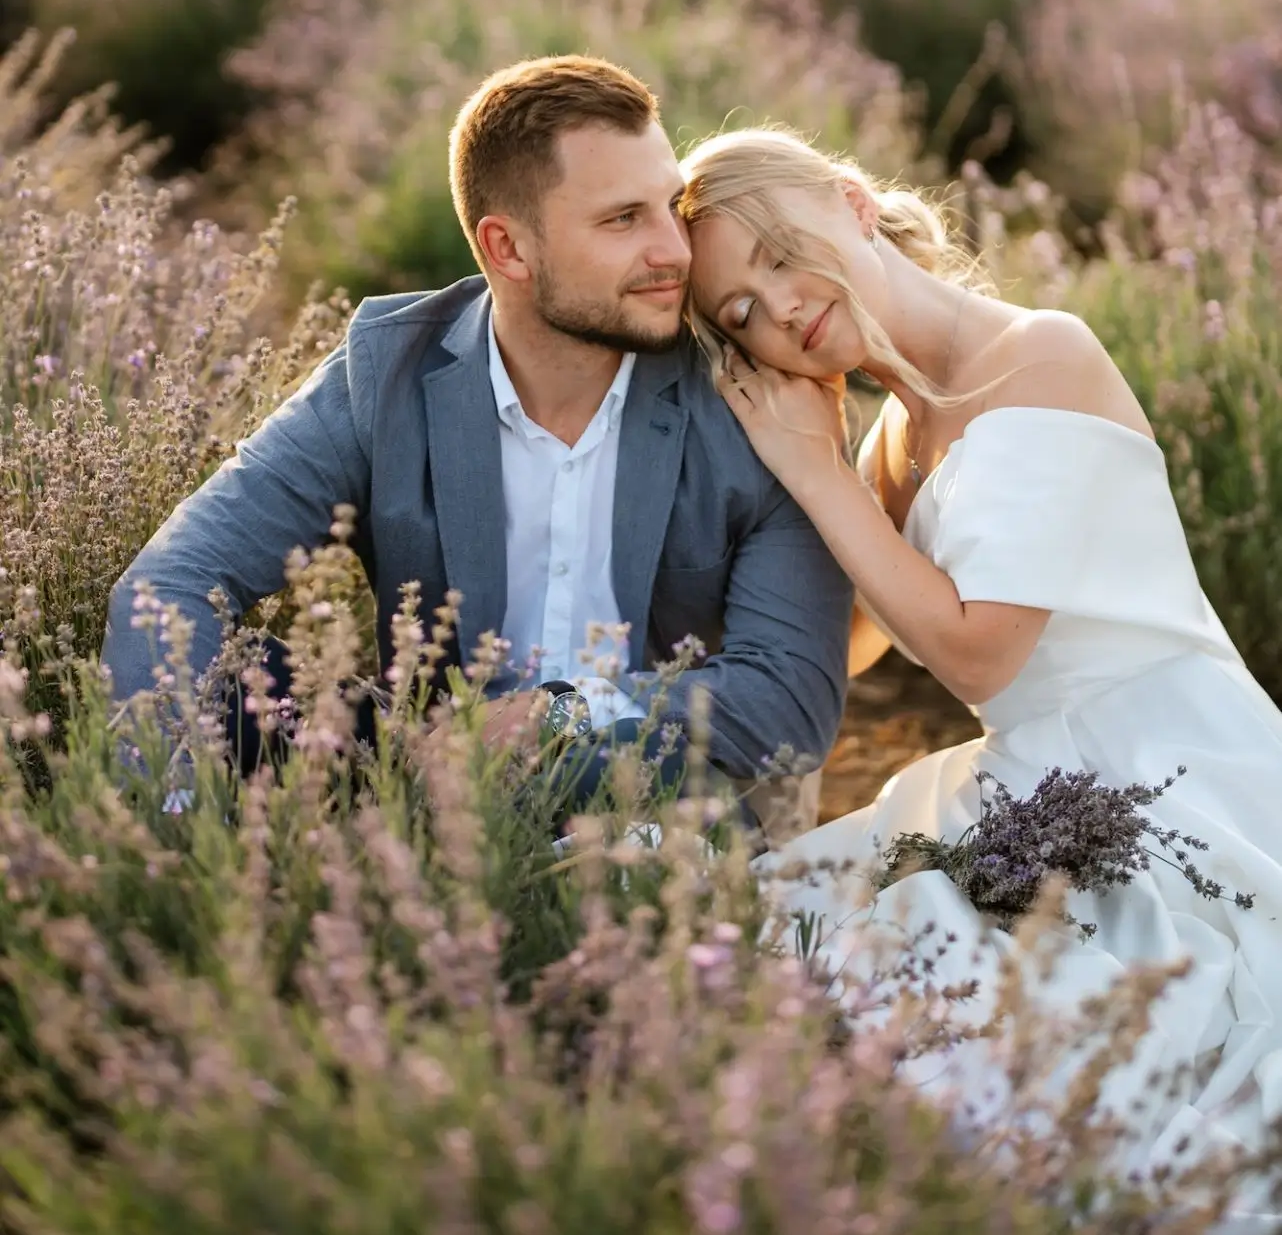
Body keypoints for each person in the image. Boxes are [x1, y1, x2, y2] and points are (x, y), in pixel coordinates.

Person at [680, 124, 1282, 1235]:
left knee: (1109, 1041)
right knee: (788, 938)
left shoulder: (1039, 355)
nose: (778, 309)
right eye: (739, 317)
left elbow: (977, 653)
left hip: (1176, 765)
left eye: (776, 254)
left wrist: (814, 475)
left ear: (853, 203)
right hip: (1028, 780)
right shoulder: (894, 440)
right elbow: (855, 644)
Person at [101, 59, 852, 829]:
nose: (676, 252)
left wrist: (552, 714)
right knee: (245, 682)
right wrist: (175, 825)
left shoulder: (754, 398)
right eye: (623, 219)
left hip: (658, 811)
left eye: (671, 206)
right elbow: (169, 587)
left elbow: (787, 701)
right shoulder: (385, 375)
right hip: (426, 792)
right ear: (508, 249)